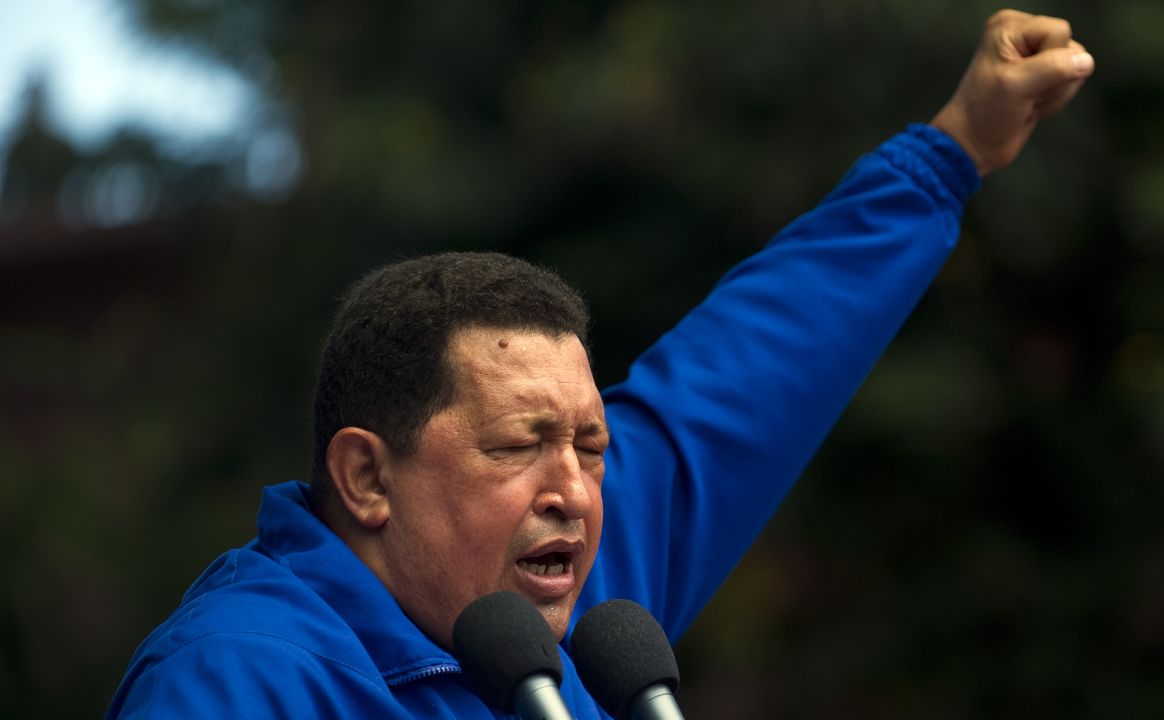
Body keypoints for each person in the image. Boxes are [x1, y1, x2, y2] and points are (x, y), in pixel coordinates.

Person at [107, 9, 1093, 718]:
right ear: (367, 476)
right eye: (519, 446)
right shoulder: (234, 681)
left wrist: (949, 150)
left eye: (589, 446)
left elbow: (750, 370)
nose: (573, 492)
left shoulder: (578, 611)